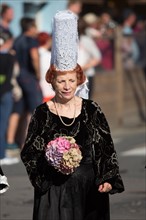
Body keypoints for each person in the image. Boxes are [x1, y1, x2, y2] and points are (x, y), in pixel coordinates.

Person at [21, 11, 124, 220]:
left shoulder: (92, 109)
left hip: (89, 190)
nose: (67, 86)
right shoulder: (43, 112)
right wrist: (50, 167)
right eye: (61, 81)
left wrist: (107, 177)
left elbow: (105, 146)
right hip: (54, 192)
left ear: (79, 81)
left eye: (71, 80)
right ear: (52, 81)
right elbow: (30, 151)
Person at [6, 17, 43, 151]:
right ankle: (32, 144)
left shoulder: (17, 40)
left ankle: (16, 142)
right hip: (29, 78)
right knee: (36, 111)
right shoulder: (31, 40)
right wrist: (38, 74)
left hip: (19, 77)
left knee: (20, 111)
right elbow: (34, 56)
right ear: (31, 27)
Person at [0, 29, 20, 165]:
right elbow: (9, 77)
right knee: (2, 124)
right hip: (5, 92)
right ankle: (1, 154)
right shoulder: (10, 57)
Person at [78, 17, 102, 99]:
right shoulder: (70, 41)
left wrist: (83, 67)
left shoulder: (86, 40)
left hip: (86, 76)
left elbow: (97, 57)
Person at [37, 32, 55, 102]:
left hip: (38, 89)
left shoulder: (35, 53)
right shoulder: (49, 56)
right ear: (48, 41)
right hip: (48, 90)